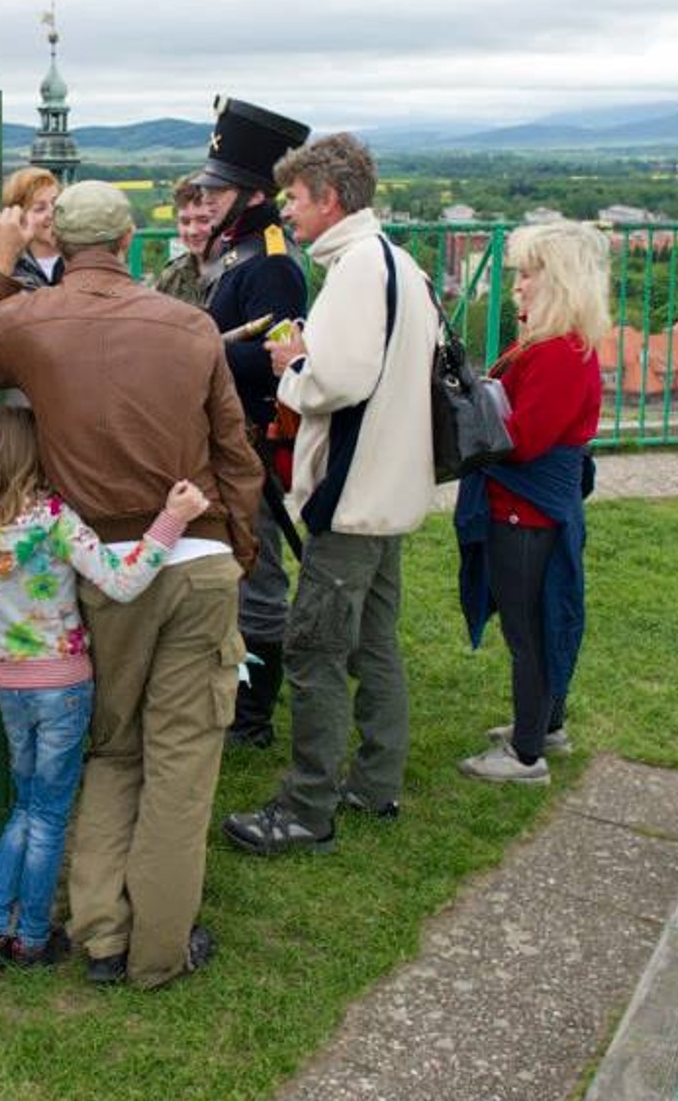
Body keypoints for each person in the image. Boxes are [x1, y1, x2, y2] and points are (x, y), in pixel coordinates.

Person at [0, 180, 261, 989]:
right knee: (182, 760)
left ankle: (100, 936)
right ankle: (160, 950)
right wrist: (241, 549)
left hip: (101, 568)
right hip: (195, 553)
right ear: (128, 245)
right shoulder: (190, 326)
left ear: (70, 244)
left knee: (113, 752)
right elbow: (235, 454)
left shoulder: (26, 318)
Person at [0, 405, 210, 976]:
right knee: (48, 815)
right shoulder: (52, 518)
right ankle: (29, 937)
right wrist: (170, 520)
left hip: (10, 685)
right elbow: (122, 582)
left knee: (25, 807)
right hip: (63, 685)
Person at [220, 131, 436, 854]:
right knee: (374, 644)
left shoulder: (352, 272)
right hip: (391, 486)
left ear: (330, 199)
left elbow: (334, 382)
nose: (287, 210)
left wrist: (291, 361)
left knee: (315, 651)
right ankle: (376, 781)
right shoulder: (400, 263)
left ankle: (307, 807)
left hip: (351, 494)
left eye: (295, 197)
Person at [454, 221, 608, 784]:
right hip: (537, 507)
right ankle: (543, 725)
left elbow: (522, 442)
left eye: (527, 274)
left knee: (529, 631)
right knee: (541, 620)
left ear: (559, 281)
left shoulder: (558, 354)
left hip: (526, 511)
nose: (517, 286)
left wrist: (471, 409)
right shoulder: (560, 346)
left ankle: (526, 753)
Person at [190, 97, 312, 750]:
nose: (207, 201)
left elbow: (275, 366)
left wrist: (199, 349)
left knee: (258, 573)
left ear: (254, 193)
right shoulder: (236, 248)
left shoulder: (270, 259)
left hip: (252, 443)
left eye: (221, 188)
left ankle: (254, 714)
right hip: (223, 433)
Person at [151, 176, 217, 306]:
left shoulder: (241, 272)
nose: (193, 231)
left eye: (204, 220)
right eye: (185, 222)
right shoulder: (172, 275)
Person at [2, 166, 65, 289]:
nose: (52, 214)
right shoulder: (9, 269)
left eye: (56, 204)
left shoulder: (81, 258)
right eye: (40, 209)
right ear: (18, 217)